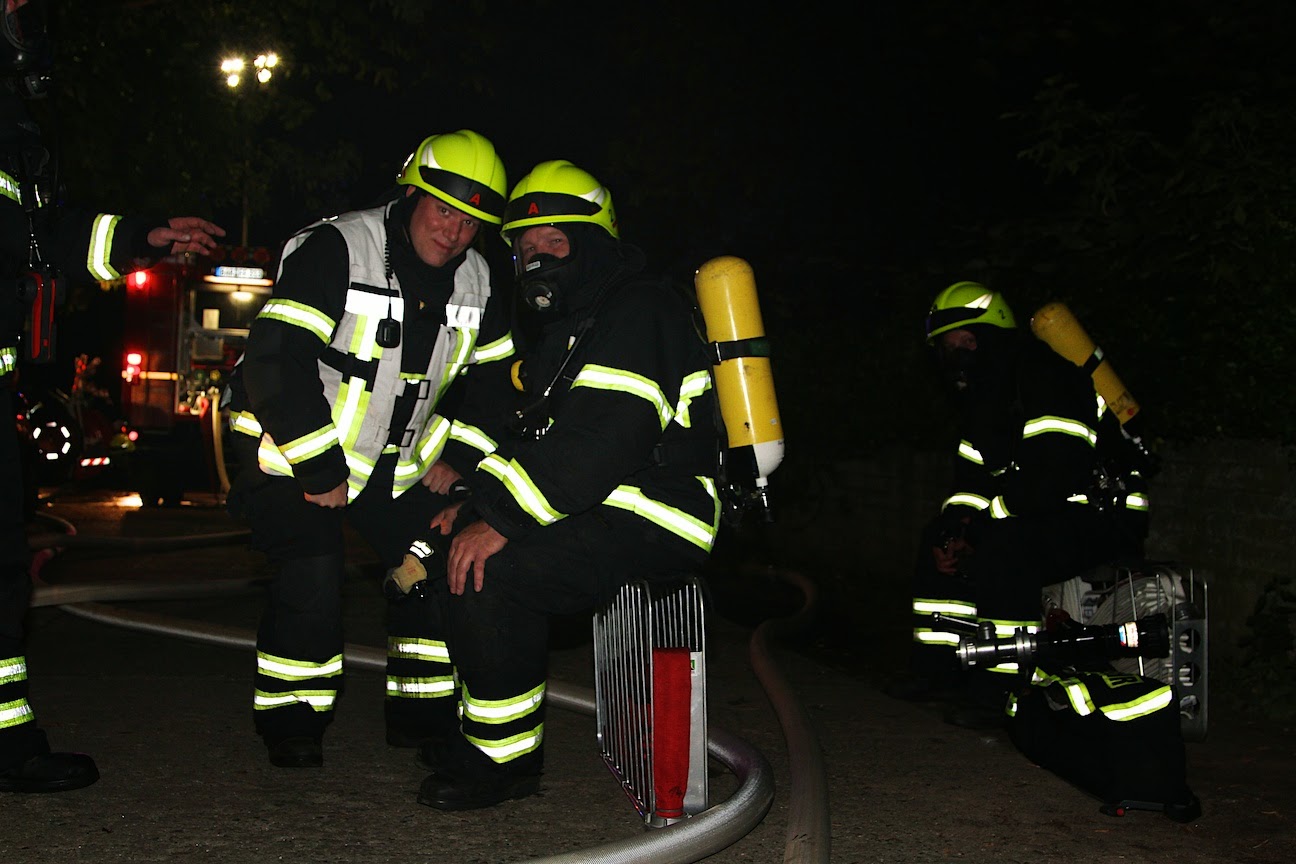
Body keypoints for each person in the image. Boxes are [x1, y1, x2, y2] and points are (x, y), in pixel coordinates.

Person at [401, 158, 722, 812]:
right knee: (444, 551)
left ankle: (503, 761)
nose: (539, 258)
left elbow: (606, 439)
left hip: (659, 512)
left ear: (596, 243)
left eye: (556, 242)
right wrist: (475, 503)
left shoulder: (641, 309)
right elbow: (533, 437)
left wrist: (502, 522)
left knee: (493, 571)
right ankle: (460, 731)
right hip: (596, 505)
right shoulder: (574, 329)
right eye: (526, 249)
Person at [222, 129, 516, 768]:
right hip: (295, 450)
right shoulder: (339, 249)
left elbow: (495, 387)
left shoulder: (480, 281)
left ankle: (421, 717)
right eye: (444, 211)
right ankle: (293, 721)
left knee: (432, 565)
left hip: (397, 467)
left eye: (471, 222)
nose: (455, 233)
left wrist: (462, 458)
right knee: (312, 571)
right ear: (411, 195)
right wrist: (318, 466)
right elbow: (276, 361)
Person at [1, 0, 225, 793]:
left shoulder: (13, 117)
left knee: (4, 572)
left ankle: (8, 744)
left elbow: (41, 240)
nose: (25, 12)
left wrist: (140, 239)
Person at [890, 281, 1150, 729]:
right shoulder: (984, 401)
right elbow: (972, 480)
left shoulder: (1048, 376)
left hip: (1101, 517)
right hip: (1036, 512)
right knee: (940, 538)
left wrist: (983, 527)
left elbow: (1053, 474)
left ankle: (1005, 689)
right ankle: (938, 671)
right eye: (946, 348)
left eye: (962, 342)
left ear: (987, 337)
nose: (955, 355)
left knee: (1004, 549)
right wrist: (956, 526)